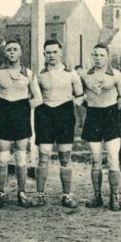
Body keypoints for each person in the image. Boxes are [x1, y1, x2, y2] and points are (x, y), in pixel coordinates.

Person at [0, 40, 42, 208]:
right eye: (9, 50)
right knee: (3, 157)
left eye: (15, 50)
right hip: (4, 116)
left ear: (21, 53)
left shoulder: (29, 73)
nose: (12, 52)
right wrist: (0, 107)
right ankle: (0, 193)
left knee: (21, 156)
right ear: (5, 53)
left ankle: (22, 192)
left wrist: (24, 109)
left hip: (21, 116)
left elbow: (38, 98)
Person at [35, 39, 84, 208]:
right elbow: (35, 96)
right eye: (48, 52)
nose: (52, 55)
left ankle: (67, 196)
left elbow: (80, 96)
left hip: (64, 115)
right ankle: (40, 195)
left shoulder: (71, 74)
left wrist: (70, 106)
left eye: (55, 52)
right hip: (45, 115)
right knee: (43, 157)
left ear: (60, 53)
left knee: (65, 157)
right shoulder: (39, 75)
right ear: (44, 55)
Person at [80, 44, 121, 210]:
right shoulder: (85, 75)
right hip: (93, 117)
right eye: (95, 54)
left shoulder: (116, 75)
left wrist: (112, 111)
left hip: (111, 117)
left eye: (101, 55)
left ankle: (114, 196)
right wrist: (90, 105)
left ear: (108, 57)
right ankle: (97, 196)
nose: (98, 57)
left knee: (113, 157)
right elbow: (79, 96)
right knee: (95, 158)